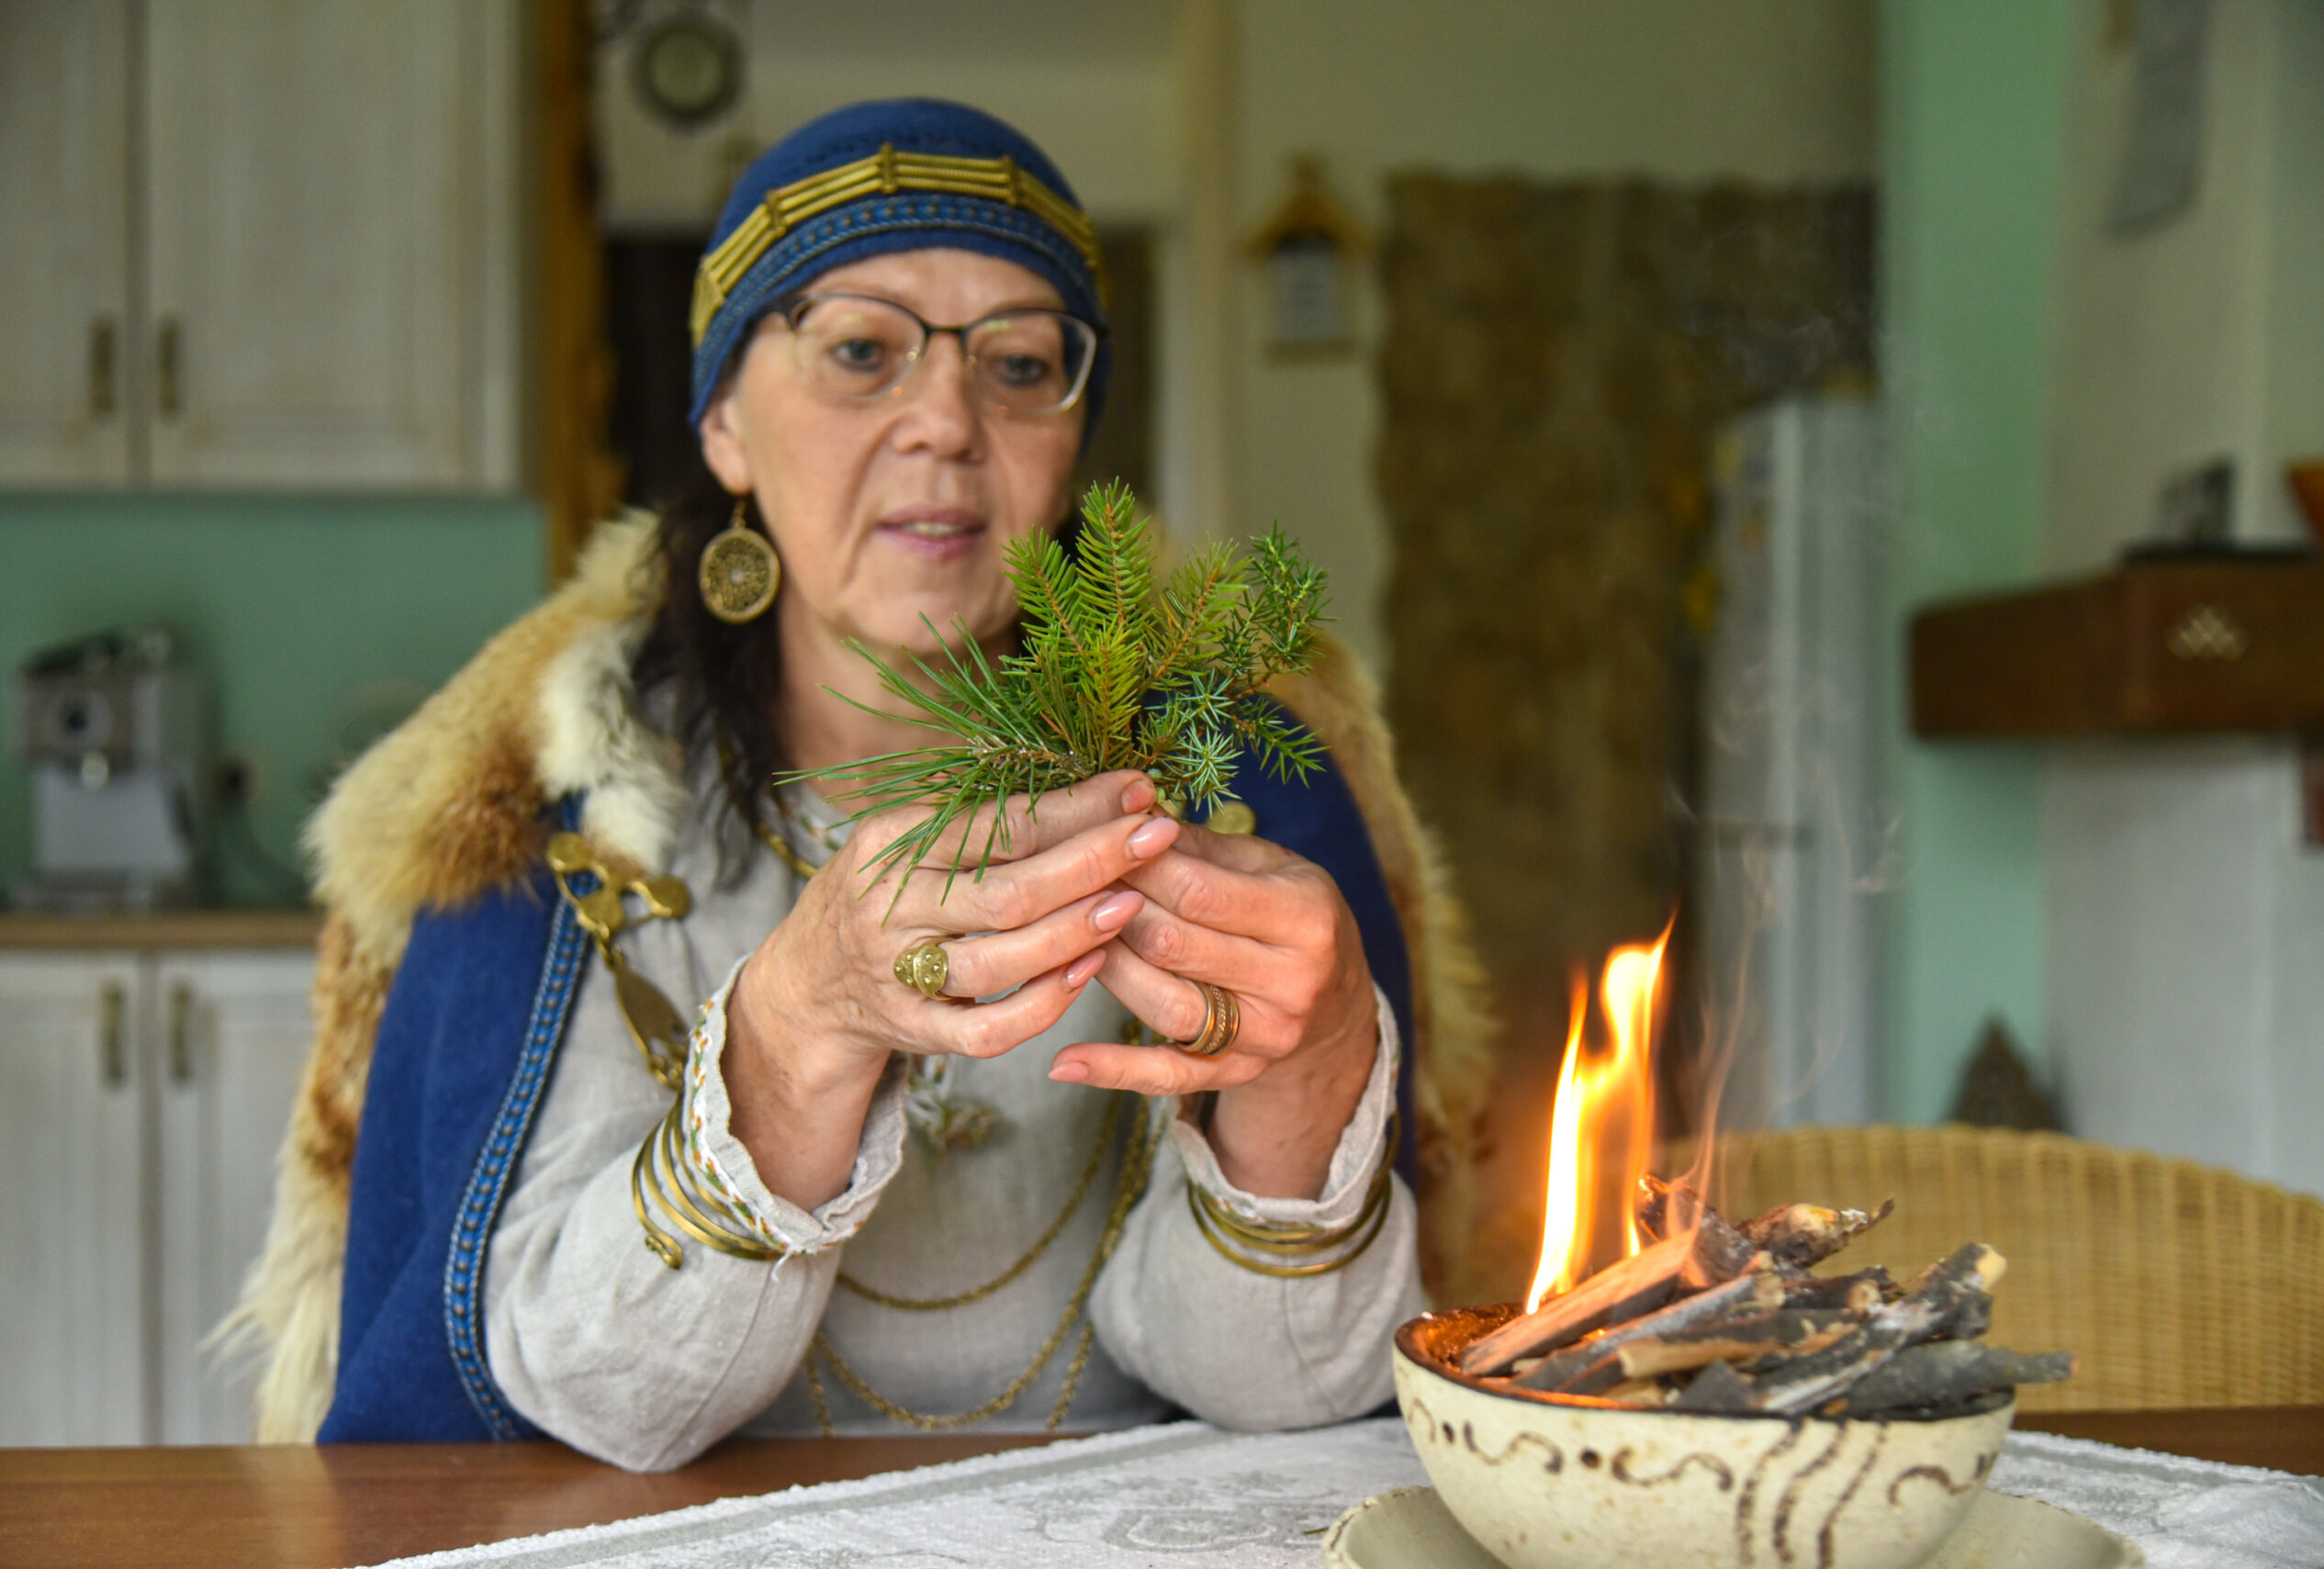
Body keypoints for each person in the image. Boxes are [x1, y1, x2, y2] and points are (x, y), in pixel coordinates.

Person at [226, 99, 1479, 1471]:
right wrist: (798, 1020)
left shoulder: (1240, 795)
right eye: (860, 350)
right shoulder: (571, 813)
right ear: (724, 428)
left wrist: (1304, 1086)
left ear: (1072, 447)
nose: (945, 420)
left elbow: (1297, 1406)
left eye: (1019, 363)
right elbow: (574, 1394)